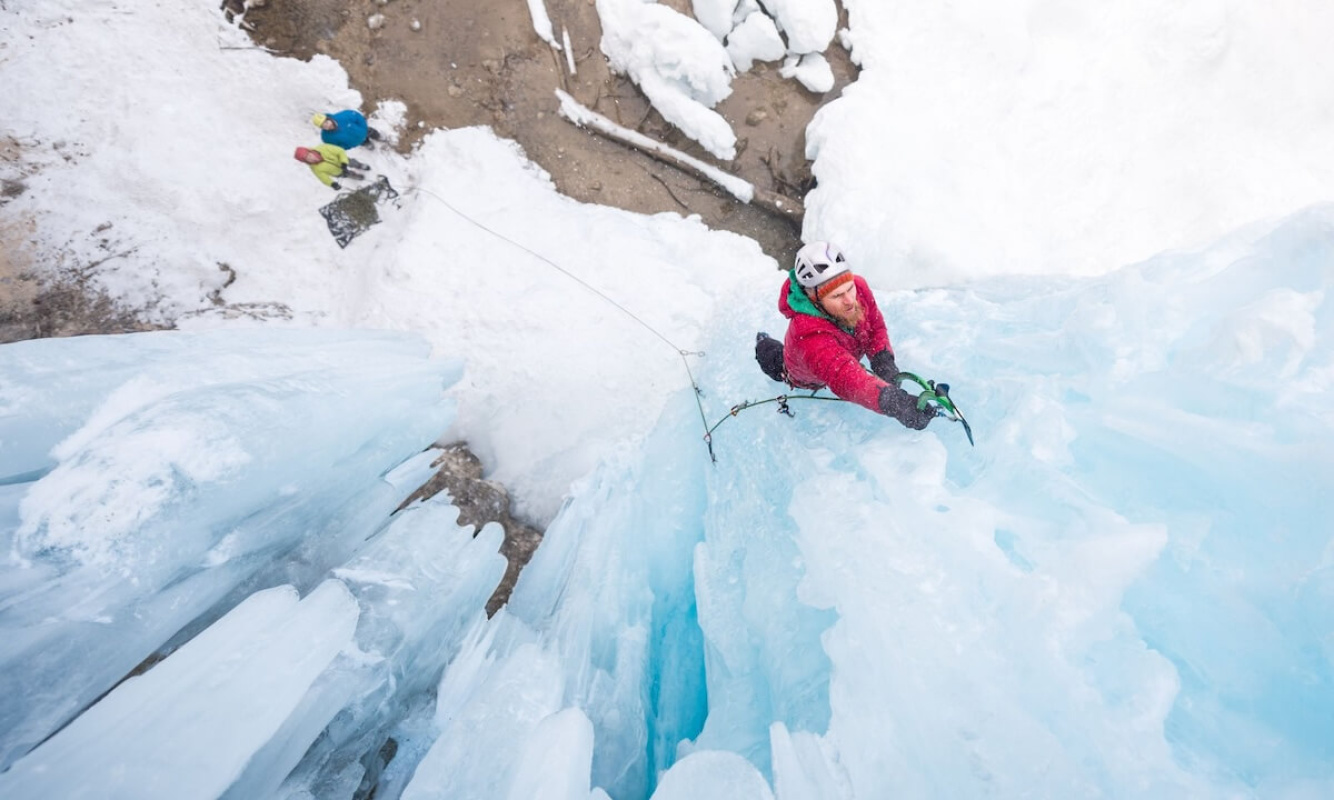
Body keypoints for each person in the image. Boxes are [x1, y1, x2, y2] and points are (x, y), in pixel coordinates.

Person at [756, 240, 936, 430]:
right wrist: (893, 403)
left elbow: (875, 326)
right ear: (814, 299)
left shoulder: (859, 286)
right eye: (836, 296)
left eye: (849, 288)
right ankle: (761, 341)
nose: (850, 300)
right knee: (772, 358)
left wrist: (883, 360)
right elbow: (845, 377)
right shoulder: (808, 335)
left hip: (844, 349)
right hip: (802, 375)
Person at [294, 145, 369, 190]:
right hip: (338, 172)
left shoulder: (323, 148)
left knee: (352, 162)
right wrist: (332, 184)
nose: (311, 158)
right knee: (347, 174)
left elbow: (340, 151)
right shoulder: (315, 168)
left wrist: (344, 162)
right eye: (307, 159)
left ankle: (360, 165)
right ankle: (355, 175)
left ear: (310, 151)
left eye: (309, 155)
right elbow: (324, 178)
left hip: (342, 161)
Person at [311, 110, 381, 150]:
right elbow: (338, 148)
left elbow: (357, 117)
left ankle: (379, 137)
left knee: (372, 132)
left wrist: (364, 128)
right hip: (357, 142)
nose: (327, 126)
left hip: (364, 131)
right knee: (364, 142)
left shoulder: (343, 116)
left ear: (329, 119)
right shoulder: (326, 138)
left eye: (326, 122)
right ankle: (367, 144)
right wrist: (350, 145)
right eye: (323, 126)